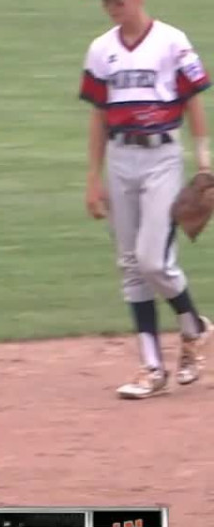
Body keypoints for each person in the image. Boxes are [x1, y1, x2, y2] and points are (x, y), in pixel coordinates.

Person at [79, 0, 213, 399]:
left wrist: (204, 162)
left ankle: (194, 328)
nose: (111, 8)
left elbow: (193, 99)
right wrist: (93, 177)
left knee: (153, 260)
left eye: (118, 2)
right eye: (106, 3)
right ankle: (153, 367)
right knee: (130, 265)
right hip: (121, 159)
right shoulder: (101, 49)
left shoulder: (173, 42)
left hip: (162, 158)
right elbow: (99, 115)